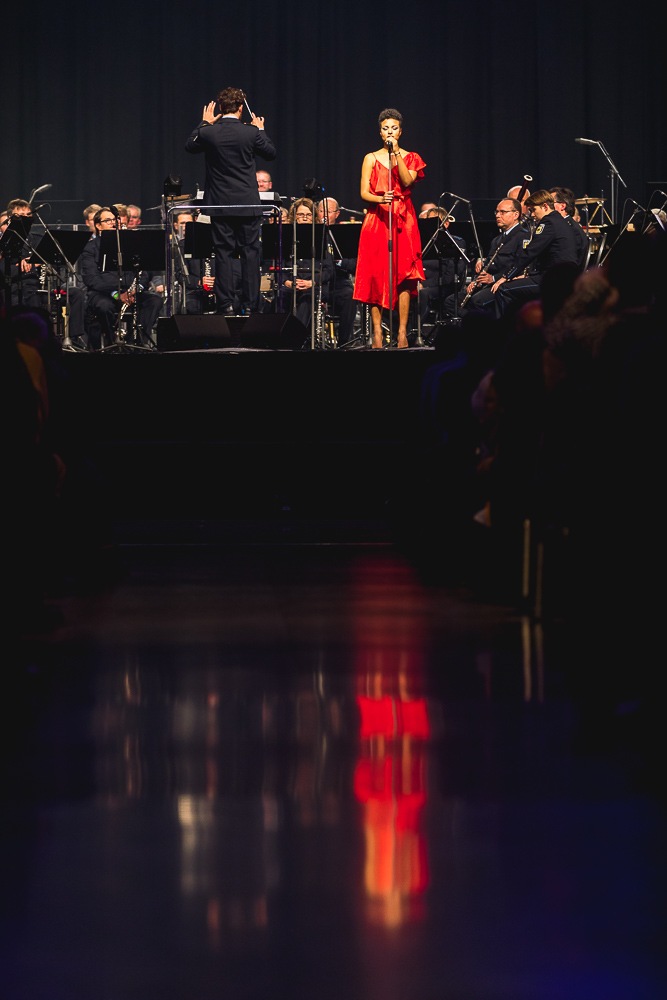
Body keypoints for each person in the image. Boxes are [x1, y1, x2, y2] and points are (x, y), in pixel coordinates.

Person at [185, 86, 276, 316]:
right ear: (240, 108)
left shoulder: (209, 132)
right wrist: (261, 129)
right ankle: (251, 306)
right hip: (247, 204)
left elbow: (190, 145)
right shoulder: (251, 132)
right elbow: (270, 153)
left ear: (220, 107)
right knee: (250, 253)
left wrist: (204, 123)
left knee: (223, 253)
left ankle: (225, 305)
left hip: (220, 204)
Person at [353, 108, 426, 349]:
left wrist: (396, 155)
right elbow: (364, 192)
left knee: (405, 276)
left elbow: (407, 181)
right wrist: (380, 199)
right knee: (375, 275)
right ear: (380, 131)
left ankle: (402, 331)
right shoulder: (370, 158)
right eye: (385, 128)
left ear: (400, 131)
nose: (389, 132)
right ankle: (376, 332)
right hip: (378, 218)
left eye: (394, 128)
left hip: (404, 219)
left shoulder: (411, 156)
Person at [78, 207, 163, 349]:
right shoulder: (90, 248)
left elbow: (145, 272)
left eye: (114, 220)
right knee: (104, 306)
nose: (113, 223)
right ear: (98, 226)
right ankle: (112, 343)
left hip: (131, 291)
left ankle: (135, 342)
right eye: (108, 220)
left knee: (155, 301)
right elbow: (92, 280)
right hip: (104, 293)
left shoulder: (130, 242)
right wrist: (117, 293)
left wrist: (136, 289)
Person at [492, 189, 580, 321]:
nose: (532, 214)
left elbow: (530, 253)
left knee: (503, 290)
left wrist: (507, 276)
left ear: (545, 206)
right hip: (561, 277)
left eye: (533, 210)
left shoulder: (548, 223)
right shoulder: (559, 221)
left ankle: (505, 332)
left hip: (552, 279)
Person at [446, 198, 528, 317]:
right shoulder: (497, 239)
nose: (498, 215)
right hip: (488, 283)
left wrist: (493, 278)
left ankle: (480, 326)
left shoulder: (522, 236)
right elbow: (489, 263)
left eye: (503, 212)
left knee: (477, 302)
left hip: (503, 284)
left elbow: (519, 266)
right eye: (497, 212)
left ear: (516, 214)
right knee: (451, 302)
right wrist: (476, 280)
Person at [282, 198, 333, 334]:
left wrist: (312, 282)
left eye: (308, 215)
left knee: (307, 299)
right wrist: (286, 281)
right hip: (292, 283)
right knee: (280, 297)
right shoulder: (287, 236)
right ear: (294, 216)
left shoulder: (323, 236)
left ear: (314, 217)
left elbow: (329, 270)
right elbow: (279, 266)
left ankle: (295, 338)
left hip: (314, 285)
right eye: (300, 215)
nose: (304, 218)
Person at [315, 197, 358, 347]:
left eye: (328, 211)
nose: (324, 215)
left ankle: (344, 342)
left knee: (350, 296)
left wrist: (338, 262)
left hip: (338, 283)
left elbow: (353, 264)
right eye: (321, 211)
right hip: (316, 281)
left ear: (337, 214)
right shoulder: (312, 233)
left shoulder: (345, 235)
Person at [418, 207, 467, 329]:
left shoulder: (456, 243)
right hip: (420, 283)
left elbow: (450, 275)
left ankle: (415, 332)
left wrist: (424, 284)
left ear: (446, 223)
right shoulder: (421, 242)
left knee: (422, 294)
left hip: (443, 286)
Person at [548, 186, 589, 269]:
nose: (546, 207)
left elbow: (567, 261)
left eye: (550, 204)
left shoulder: (569, 229)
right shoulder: (567, 225)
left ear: (562, 206)